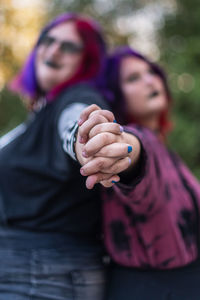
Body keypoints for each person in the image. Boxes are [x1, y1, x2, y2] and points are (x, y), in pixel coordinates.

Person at [0, 13, 131, 300]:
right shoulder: (38, 114)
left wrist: (88, 139)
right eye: (48, 40)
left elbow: (76, 123)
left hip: (44, 275)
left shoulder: (77, 96)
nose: (55, 49)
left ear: (86, 60)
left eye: (70, 47)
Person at [77, 46, 200, 300]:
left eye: (151, 72)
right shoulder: (140, 139)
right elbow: (136, 154)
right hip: (150, 288)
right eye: (133, 78)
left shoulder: (167, 150)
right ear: (116, 94)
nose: (149, 80)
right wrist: (116, 146)